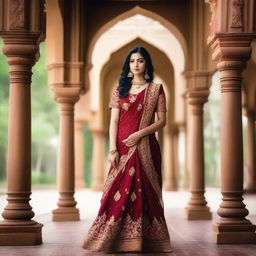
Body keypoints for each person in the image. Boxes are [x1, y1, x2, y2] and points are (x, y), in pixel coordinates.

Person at [83, 46, 172, 253]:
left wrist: (140, 134)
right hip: (122, 149)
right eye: (132, 61)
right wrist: (112, 149)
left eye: (140, 61)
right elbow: (113, 121)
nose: (136, 65)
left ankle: (147, 239)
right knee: (115, 193)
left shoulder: (156, 89)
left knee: (146, 193)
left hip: (146, 148)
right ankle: (111, 238)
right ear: (128, 65)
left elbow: (162, 121)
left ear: (146, 63)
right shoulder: (119, 90)